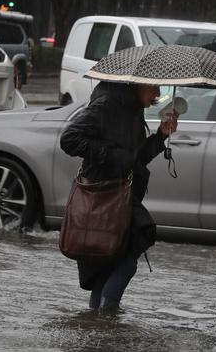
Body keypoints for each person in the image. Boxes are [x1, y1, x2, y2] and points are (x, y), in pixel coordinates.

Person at [59, 81, 178, 312]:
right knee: (124, 261)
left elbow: (135, 158)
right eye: (154, 87)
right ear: (138, 84)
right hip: (102, 194)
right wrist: (113, 155)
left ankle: (97, 327)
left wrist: (160, 136)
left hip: (121, 194)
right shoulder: (107, 104)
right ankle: (106, 319)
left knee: (108, 263)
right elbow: (69, 139)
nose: (158, 94)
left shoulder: (133, 108)